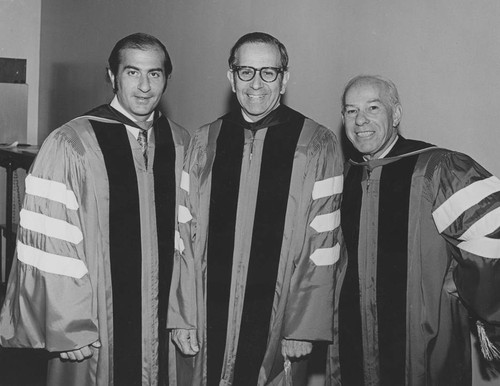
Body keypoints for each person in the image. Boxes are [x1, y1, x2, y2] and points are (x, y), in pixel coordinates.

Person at [0, 32, 190, 386]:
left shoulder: (182, 143)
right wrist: (69, 326)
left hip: (164, 322)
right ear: (112, 76)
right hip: (94, 327)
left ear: (167, 78)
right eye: (133, 72)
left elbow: (192, 241)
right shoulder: (71, 143)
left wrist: (187, 314)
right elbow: (50, 242)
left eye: (155, 73)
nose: (145, 86)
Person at [167, 32, 344, 385]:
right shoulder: (205, 140)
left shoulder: (317, 143)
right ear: (231, 78)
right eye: (246, 72)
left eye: (269, 72)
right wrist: (182, 315)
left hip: (281, 318)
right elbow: (183, 235)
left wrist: (302, 325)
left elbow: (323, 243)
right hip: (207, 313)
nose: (257, 84)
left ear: (284, 79)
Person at [334, 74, 500, 385]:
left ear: (395, 114)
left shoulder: (437, 169)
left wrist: (462, 284)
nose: (360, 121)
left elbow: (493, 227)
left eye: (373, 108)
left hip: (423, 341)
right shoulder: (345, 178)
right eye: (351, 110)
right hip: (354, 338)